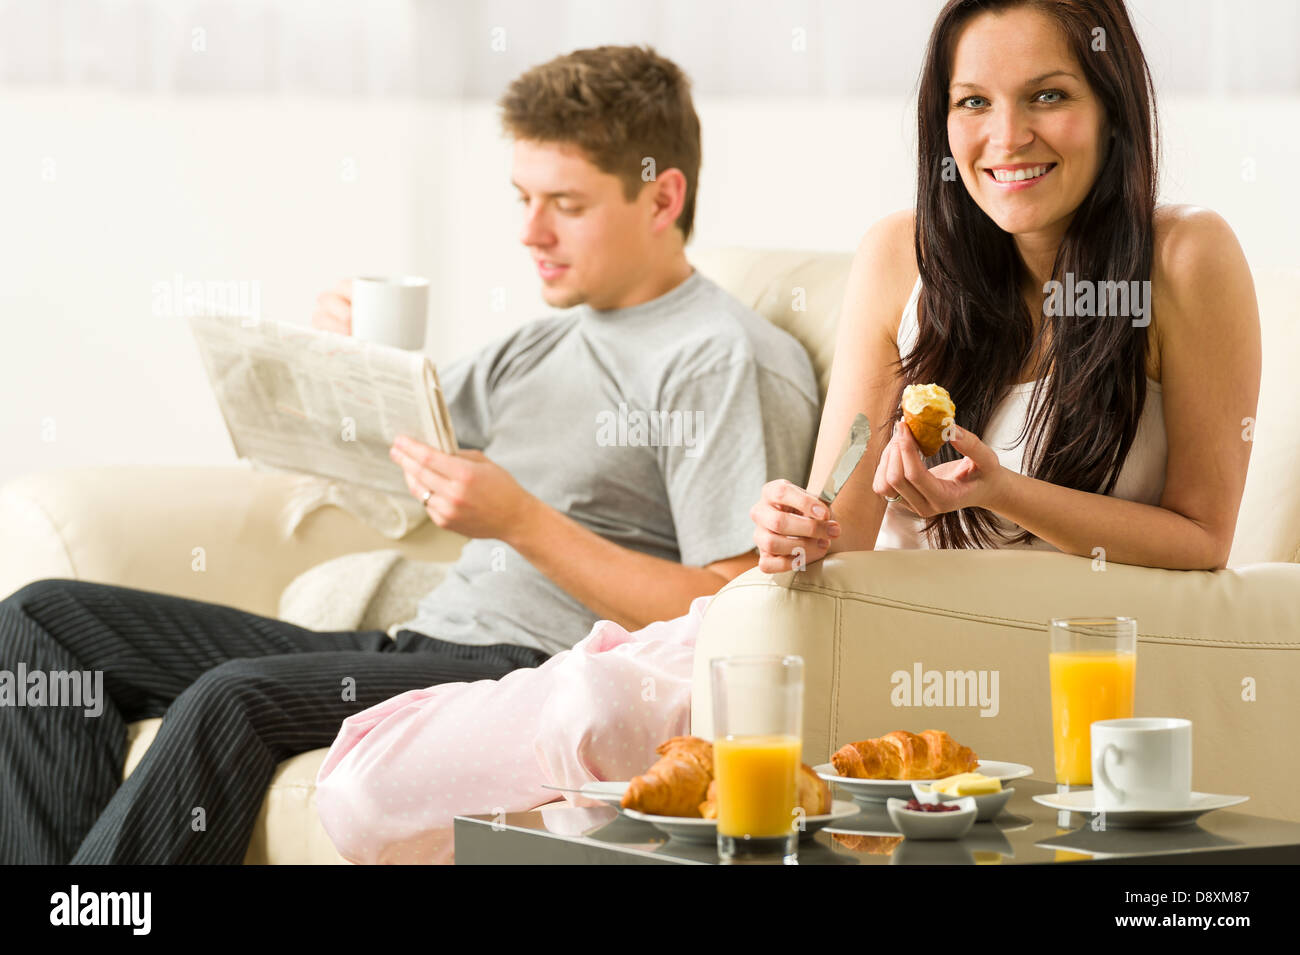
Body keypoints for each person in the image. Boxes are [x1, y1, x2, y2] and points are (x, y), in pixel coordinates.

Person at [0, 45, 820, 864]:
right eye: (523, 198)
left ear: (661, 195)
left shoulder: (721, 359)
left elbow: (731, 611)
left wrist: (524, 524)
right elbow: (386, 459)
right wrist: (339, 366)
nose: (530, 232)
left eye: (565, 203)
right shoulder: (540, 344)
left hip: (524, 672)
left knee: (231, 699)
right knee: (41, 623)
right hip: (415, 644)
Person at [751, 0, 1259, 574]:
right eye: (974, 101)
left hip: (1079, 653)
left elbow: (1203, 538)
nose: (1008, 137)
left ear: (1111, 110)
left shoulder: (1186, 257)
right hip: (892, 647)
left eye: (1048, 96)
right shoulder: (896, 255)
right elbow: (837, 540)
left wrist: (999, 490)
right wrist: (794, 533)